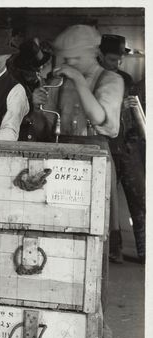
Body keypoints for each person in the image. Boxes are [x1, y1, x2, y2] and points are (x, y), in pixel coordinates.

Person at [32, 25, 124, 338]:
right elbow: (45, 126)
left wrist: (79, 80)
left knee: (94, 242)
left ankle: (97, 317)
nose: (64, 63)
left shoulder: (111, 80)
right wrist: (37, 103)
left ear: (90, 54)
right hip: (61, 159)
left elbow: (103, 122)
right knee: (58, 237)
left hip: (95, 160)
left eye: (71, 58)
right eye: (62, 59)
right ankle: (62, 311)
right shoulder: (63, 79)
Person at [99, 34, 145, 264]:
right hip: (105, 145)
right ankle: (109, 251)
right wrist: (118, 108)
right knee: (105, 202)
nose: (115, 64)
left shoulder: (126, 79)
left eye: (118, 60)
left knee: (140, 199)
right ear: (100, 55)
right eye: (110, 59)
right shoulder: (96, 79)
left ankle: (145, 251)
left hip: (126, 146)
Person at [8, 38, 54, 141]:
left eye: (40, 67)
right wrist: (31, 102)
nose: (38, 72)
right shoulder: (12, 84)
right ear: (23, 69)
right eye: (34, 69)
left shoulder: (39, 82)